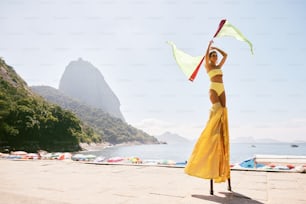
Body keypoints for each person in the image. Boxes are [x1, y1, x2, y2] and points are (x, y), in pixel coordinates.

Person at [184, 40, 231, 195]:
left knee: (223, 112)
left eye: (216, 56)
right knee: (217, 111)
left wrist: (217, 48)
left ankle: (219, 133)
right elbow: (205, 56)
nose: (215, 57)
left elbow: (226, 55)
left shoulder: (218, 66)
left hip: (222, 88)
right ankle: (211, 132)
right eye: (213, 55)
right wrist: (209, 47)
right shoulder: (208, 66)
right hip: (213, 89)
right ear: (209, 58)